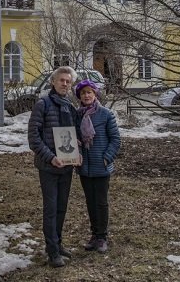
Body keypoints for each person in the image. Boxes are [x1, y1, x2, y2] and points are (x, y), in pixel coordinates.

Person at [27, 66, 81, 268]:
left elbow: (75, 136)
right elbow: (33, 138)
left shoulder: (69, 105)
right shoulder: (43, 104)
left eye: (68, 81)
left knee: (61, 208)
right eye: (62, 80)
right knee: (51, 209)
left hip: (66, 167)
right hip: (49, 167)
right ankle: (52, 251)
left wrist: (78, 155)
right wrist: (50, 158)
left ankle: (57, 243)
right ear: (53, 81)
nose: (65, 84)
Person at [74, 79, 121, 254]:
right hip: (84, 167)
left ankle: (102, 237)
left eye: (89, 92)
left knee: (100, 202)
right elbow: (73, 138)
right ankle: (94, 235)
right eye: (83, 93)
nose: (86, 95)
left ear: (95, 95)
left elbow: (115, 140)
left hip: (101, 167)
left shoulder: (106, 114)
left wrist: (107, 158)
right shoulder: (77, 115)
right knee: (90, 202)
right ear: (79, 96)